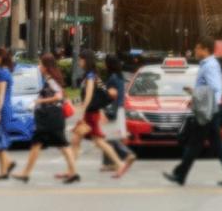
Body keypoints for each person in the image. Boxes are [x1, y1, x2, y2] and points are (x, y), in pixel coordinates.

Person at [163, 37, 222, 186]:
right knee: (216, 144)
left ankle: (180, 174)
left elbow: (215, 87)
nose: (195, 51)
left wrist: (195, 93)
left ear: (205, 49)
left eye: (197, 48)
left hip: (208, 110)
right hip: (210, 108)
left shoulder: (209, 65)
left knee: (195, 143)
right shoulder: (208, 64)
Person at [12, 54, 79, 184]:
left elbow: (58, 96)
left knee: (59, 145)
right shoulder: (50, 79)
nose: (38, 67)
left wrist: (39, 100)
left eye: (40, 64)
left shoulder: (51, 80)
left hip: (51, 117)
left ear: (46, 66)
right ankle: (26, 173)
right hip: (51, 117)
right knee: (53, 145)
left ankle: (26, 173)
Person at [69, 49, 130, 178]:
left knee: (96, 141)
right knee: (78, 140)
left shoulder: (91, 76)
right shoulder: (93, 75)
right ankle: (72, 170)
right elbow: (104, 91)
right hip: (91, 113)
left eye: (80, 59)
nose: (79, 61)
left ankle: (119, 164)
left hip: (90, 114)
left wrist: (83, 108)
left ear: (86, 60)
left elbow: (89, 94)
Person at [100, 54, 137, 172]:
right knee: (111, 136)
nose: (104, 65)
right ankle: (112, 163)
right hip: (119, 109)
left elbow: (109, 95)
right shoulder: (120, 77)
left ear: (109, 64)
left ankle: (123, 155)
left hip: (112, 109)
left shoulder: (112, 78)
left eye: (105, 62)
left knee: (108, 137)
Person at [0, 47, 16, 180]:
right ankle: (4, 169)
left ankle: (6, 167)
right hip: (3, 108)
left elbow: (1, 94)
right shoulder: (3, 72)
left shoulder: (3, 73)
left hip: (2, 109)